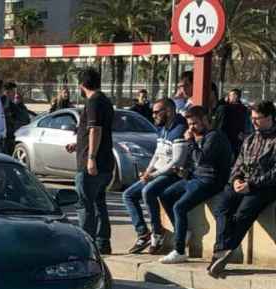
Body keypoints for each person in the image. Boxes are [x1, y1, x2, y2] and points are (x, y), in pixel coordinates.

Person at [208, 101, 276, 277]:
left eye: (257, 119)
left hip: (265, 187)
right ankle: (222, 250)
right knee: (221, 206)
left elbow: (274, 173)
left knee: (243, 213)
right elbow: (238, 163)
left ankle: (222, 251)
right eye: (252, 118)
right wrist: (237, 179)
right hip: (243, 182)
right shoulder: (250, 139)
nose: (253, 122)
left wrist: (252, 184)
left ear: (269, 118)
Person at [159, 106, 233, 264]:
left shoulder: (215, 136)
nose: (191, 127)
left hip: (210, 182)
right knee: (165, 195)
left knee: (180, 207)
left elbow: (202, 159)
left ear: (205, 120)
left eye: (195, 123)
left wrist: (190, 142)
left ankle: (179, 251)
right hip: (195, 178)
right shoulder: (202, 136)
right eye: (189, 124)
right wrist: (184, 170)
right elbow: (196, 163)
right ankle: (182, 231)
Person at [124, 98, 188, 255]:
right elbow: (158, 154)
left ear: (168, 111)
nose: (153, 115)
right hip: (157, 172)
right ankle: (143, 233)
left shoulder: (179, 129)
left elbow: (176, 162)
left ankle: (157, 233)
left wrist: (152, 176)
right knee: (128, 195)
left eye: (156, 112)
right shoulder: (162, 128)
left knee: (148, 191)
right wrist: (148, 171)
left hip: (173, 174)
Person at [65, 68, 115, 254]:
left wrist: (91, 158)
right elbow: (92, 132)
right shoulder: (105, 101)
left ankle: (87, 245)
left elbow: (96, 130)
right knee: (98, 203)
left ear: (82, 84)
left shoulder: (93, 102)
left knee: (84, 203)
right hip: (105, 162)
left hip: (91, 164)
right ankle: (103, 242)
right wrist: (77, 144)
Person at [215, 89, 249, 157]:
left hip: (227, 136)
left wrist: (223, 101)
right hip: (237, 136)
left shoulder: (224, 108)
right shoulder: (243, 109)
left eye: (230, 95)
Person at [1, 81, 21, 155]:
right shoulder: (2, 102)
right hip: (5, 136)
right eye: (13, 91)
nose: (14, 94)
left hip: (10, 135)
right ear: (7, 92)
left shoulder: (11, 104)